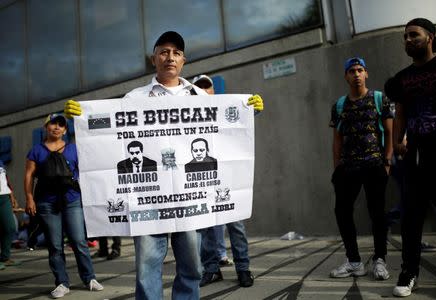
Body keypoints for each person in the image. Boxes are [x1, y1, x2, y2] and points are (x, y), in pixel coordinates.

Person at [64, 31, 264, 299]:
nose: (171, 57)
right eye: (164, 52)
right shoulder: (134, 98)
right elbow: (110, 135)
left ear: (183, 61)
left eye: (177, 53)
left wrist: (250, 111)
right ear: (153, 58)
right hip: (149, 201)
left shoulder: (199, 97)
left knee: (192, 265)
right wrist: (82, 119)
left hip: (189, 200)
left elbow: (225, 126)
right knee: (147, 267)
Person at [388, 18, 436, 298]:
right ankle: (409, 271)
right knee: (411, 217)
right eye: (405, 36)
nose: (408, 40)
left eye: (414, 34)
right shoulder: (401, 79)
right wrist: (397, 142)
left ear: (430, 37)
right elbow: (399, 113)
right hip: (416, 155)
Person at [24, 113, 104, 298]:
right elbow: (28, 176)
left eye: (61, 125)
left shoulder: (74, 149)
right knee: (55, 245)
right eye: (53, 124)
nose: (57, 127)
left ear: (66, 130)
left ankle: (89, 277)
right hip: (46, 203)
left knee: (79, 241)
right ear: (46, 127)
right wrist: (29, 198)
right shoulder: (36, 151)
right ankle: (62, 282)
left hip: (72, 200)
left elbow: (86, 172)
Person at [329, 57, 393, 280]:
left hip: (374, 164)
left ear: (366, 74)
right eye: (352, 71)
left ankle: (380, 260)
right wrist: (336, 168)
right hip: (348, 167)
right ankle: (354, 261)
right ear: (346, 76)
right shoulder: (339, 105)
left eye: (360, 70)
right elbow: (337, 139)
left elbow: (389, 131)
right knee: (342, 212)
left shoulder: (378, 99)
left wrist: (387, 161)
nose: (356, 74)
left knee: (377, 214)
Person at [192, 74, 255, 287]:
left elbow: (241, 119)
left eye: (206, 87)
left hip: (228, 180)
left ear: (213, 90)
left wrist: (253, 110)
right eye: (198, 87)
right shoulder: (189, 114)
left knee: (236, 225)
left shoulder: (225, 109)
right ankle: (211, 270)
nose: (203, 90)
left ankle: (243, 268)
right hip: (202, 181)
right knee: (206, 227)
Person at [0, 159, 22, 269]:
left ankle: (5, 257)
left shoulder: (0, 161)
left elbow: (5, 179)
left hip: (4, 196)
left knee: (10, 227)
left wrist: (12, 195)